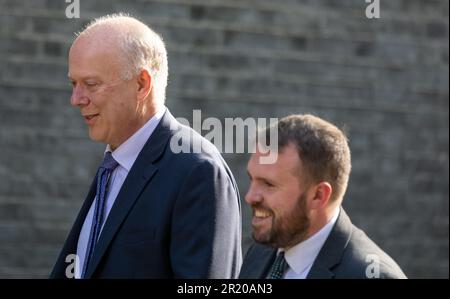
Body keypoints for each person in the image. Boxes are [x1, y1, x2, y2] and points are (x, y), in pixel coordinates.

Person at [50, 14, 242, 279]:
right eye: (74, 84)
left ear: (141, 84)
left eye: (91, 84)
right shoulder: (113, 166)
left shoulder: (197, 171)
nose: (76, 99)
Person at [239, 114, 406, 279]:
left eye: (269, 184)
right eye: (251, 179)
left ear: (318, 196)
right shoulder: (261, 252)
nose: (250, 197)